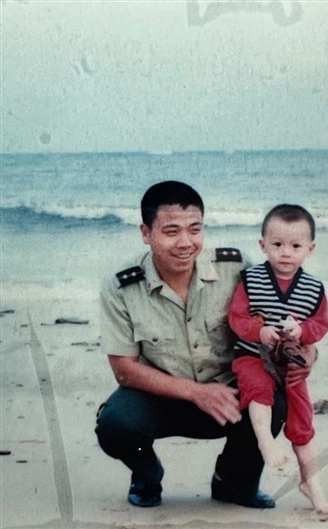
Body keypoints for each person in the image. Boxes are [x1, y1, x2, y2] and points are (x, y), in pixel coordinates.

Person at [95, 182, 316, 509]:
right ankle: (146, 474)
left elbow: (283, 319)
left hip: (229, 395)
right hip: (161, 397)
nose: (186, 242)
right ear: (146, 233)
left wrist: (308, 352)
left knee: (278, 399)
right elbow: (124, 370)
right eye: (171, 231)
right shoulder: (121, 286)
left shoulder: (236, 267)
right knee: (115, 424)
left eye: (194, 229)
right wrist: (196, 392)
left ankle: (233, 483)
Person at [228, 204, 328, 515]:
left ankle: (312, 485)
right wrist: (259, 331)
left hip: (290, 365)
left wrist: (302, 331)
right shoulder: (251, 279)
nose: (286, 253)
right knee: (258, 388)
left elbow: (321, 324)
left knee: (303, 420)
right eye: (277, 244)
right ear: (263, 245)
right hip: (252, 355)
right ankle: (266, 443)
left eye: (296, 246)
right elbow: (236, 317)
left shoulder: (314, 288)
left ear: (310, 249)